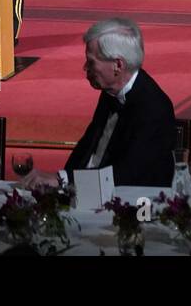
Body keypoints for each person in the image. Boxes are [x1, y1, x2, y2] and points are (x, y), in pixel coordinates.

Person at [54, 18, 176, 187]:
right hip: (90, 189)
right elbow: (88, 145)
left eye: (91, 62)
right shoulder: (111, 90)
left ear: (118, 65)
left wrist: (64, 180)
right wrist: (60, 180)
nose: (85, 68)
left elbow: (128, 174)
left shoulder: (153, 109)